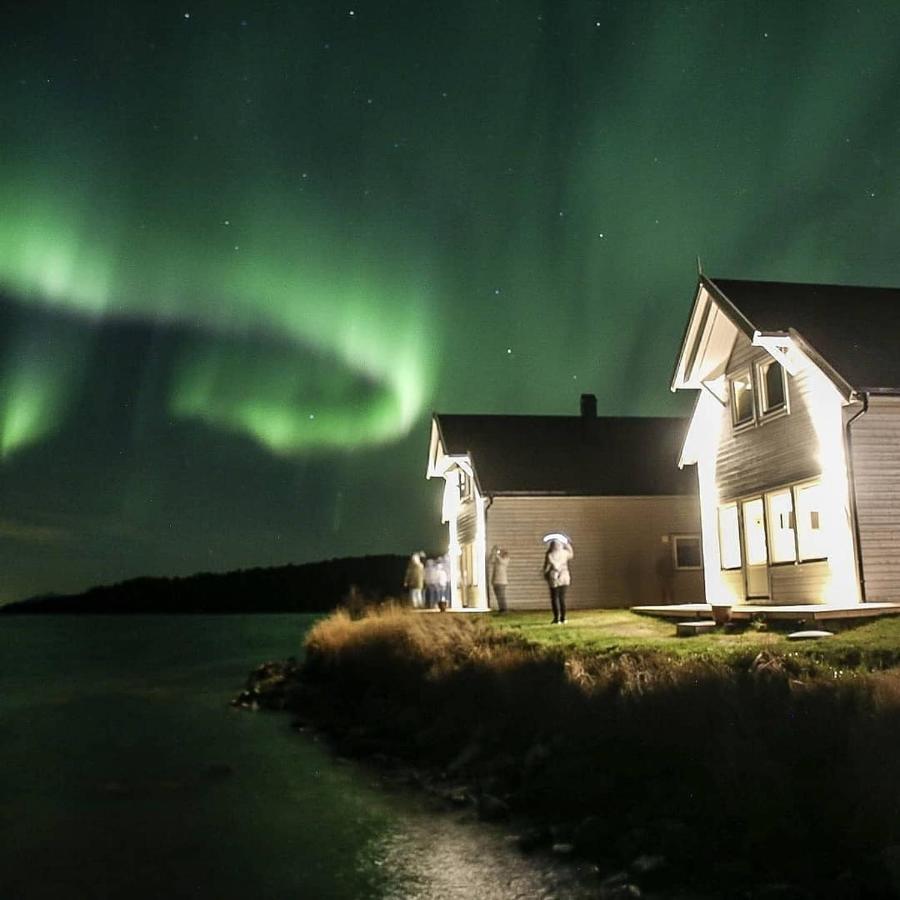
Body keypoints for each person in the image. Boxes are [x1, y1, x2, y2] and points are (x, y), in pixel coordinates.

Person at [543, 539, 573, 624]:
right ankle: (563, 618)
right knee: (562, 598)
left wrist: (545, 574)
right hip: (564, 576)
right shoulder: (564, 553)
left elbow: (546, 567)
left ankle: (556, 618)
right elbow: (571, 554)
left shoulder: (550, 555)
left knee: (554, 598)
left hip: (554, 577)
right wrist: (567, 544)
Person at [489, 545, 511, 612]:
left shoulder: (505, 560)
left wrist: (496, 554)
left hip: (501, 582)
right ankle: (501, 609)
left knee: (502, 596)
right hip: (495, 581)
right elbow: (490, 560)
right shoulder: (497, 560)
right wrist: (493, 552)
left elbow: (501, 561)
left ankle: (504, 609)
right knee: (498, 597)